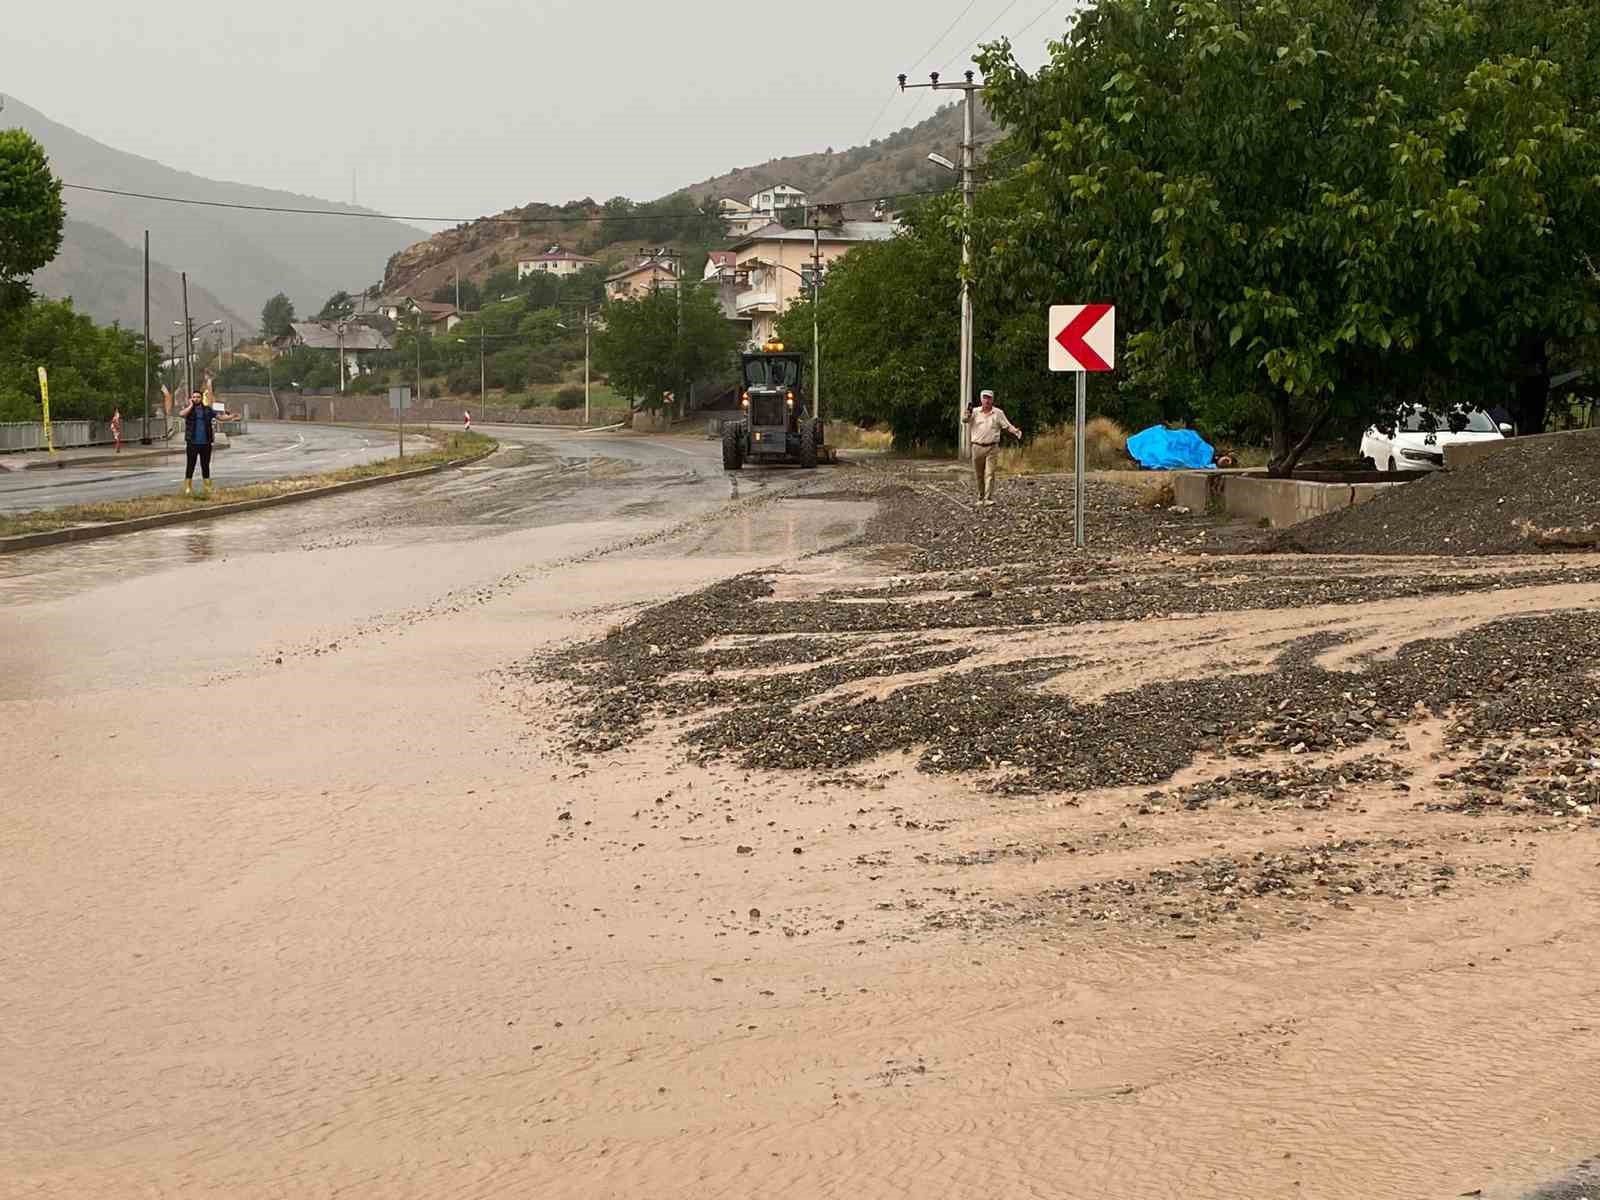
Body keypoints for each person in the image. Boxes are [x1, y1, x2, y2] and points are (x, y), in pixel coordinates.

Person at [963, 388, 1023, 506]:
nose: (987, 400)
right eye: (984, 398)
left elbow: (1007, 425)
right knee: (979, 474)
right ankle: (980, 497)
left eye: (989, 398)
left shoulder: (998, 413)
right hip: (977, 446)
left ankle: (988, 498)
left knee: (990, 473)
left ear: (992, 400)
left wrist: (1015, 431)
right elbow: (964, 420)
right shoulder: (974, 411)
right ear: (981, 399)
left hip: (992, 447)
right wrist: (967, 413)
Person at [178, 377, 237, 495]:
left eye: (198, 397)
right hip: (192, 443)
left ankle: (207, 486)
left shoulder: (207, 410)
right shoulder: (189, 410)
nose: (196, 399)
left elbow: (220, 417)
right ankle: (188, 487)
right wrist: (190, 405)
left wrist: (231, 417)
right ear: (191, 399)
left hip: (206, 443)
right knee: (191, 465)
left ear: (201, 398)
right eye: (194, 397)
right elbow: (181, 414)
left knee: (206, 465)